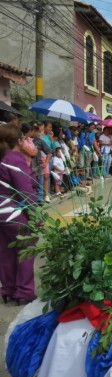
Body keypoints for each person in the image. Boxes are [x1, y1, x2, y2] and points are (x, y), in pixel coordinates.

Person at [0, 125, 38, 304]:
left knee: (6, 252)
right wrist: (36, 217)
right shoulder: (14, 160)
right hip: (13, 211)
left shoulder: (3, 158)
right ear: (19, 141)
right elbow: (26, 192)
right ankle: (24, 291)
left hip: (2, 212)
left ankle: (7, 288)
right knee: (26, 250)